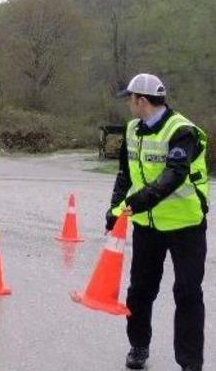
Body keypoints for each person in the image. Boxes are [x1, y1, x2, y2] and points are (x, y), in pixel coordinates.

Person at [106, 73, 208, 371]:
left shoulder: (182, 131)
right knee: (140, 290)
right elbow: (124, 174)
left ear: (142, 100)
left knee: (188, 293)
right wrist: (114, 209)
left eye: (130, 99)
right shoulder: (131, 130)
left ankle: (190, 363)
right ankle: (138, 347)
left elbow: (173, 176)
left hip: (185, 226)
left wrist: (134, 204)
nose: (129, 105)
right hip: (147, 227)